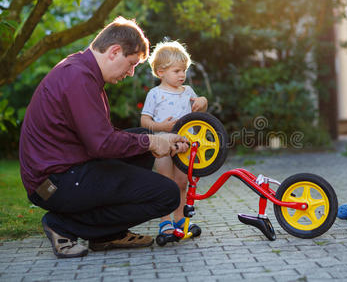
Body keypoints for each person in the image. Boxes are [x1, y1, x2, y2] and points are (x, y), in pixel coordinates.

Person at [19, 17, 189, 258]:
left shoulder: (82, 72)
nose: (130, 73)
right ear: (114, 51)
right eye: (131, 64)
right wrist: (153, 142)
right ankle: (62, 226)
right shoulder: (78, 78)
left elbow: (104, 139)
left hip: (67, 169)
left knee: (142, 139)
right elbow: (102, 144)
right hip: (54, 183)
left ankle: (107, 234)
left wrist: (160, 139)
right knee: (167, 194)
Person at [141, 40, 208, 237]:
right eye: (177, 71)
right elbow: (144, 120)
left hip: (186, 146)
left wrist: (203, 101)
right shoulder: (155, 94)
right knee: (166, 183)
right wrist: (161, 127)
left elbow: (200, 108)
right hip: (163, 146)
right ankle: (165, 222)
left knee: (181, 183)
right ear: (161, 72)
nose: (182, 75)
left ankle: (180, 219)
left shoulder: (187, 91)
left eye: (184, 70)